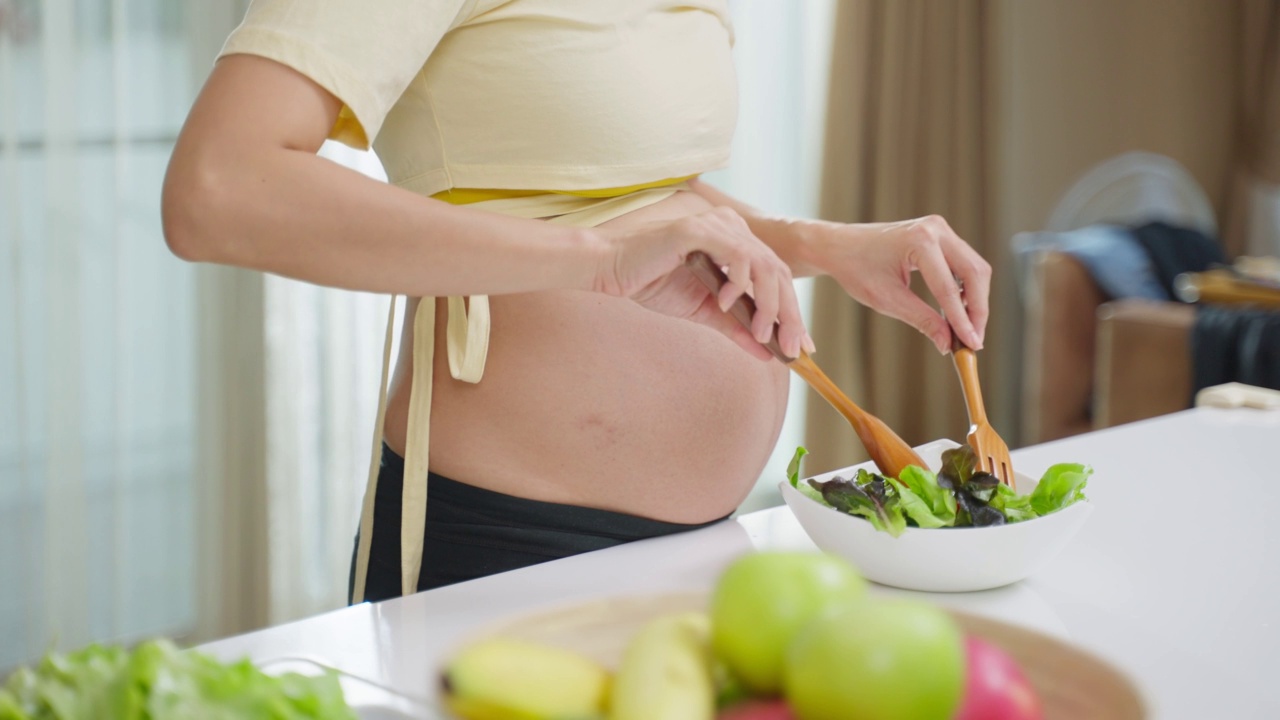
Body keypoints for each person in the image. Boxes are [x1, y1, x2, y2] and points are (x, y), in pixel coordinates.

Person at [162, 0, 991, 604]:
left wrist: (825, 246)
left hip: (710, 543)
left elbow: (630, 185)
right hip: (510, 546)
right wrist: (598, 264)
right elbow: (218, 186)